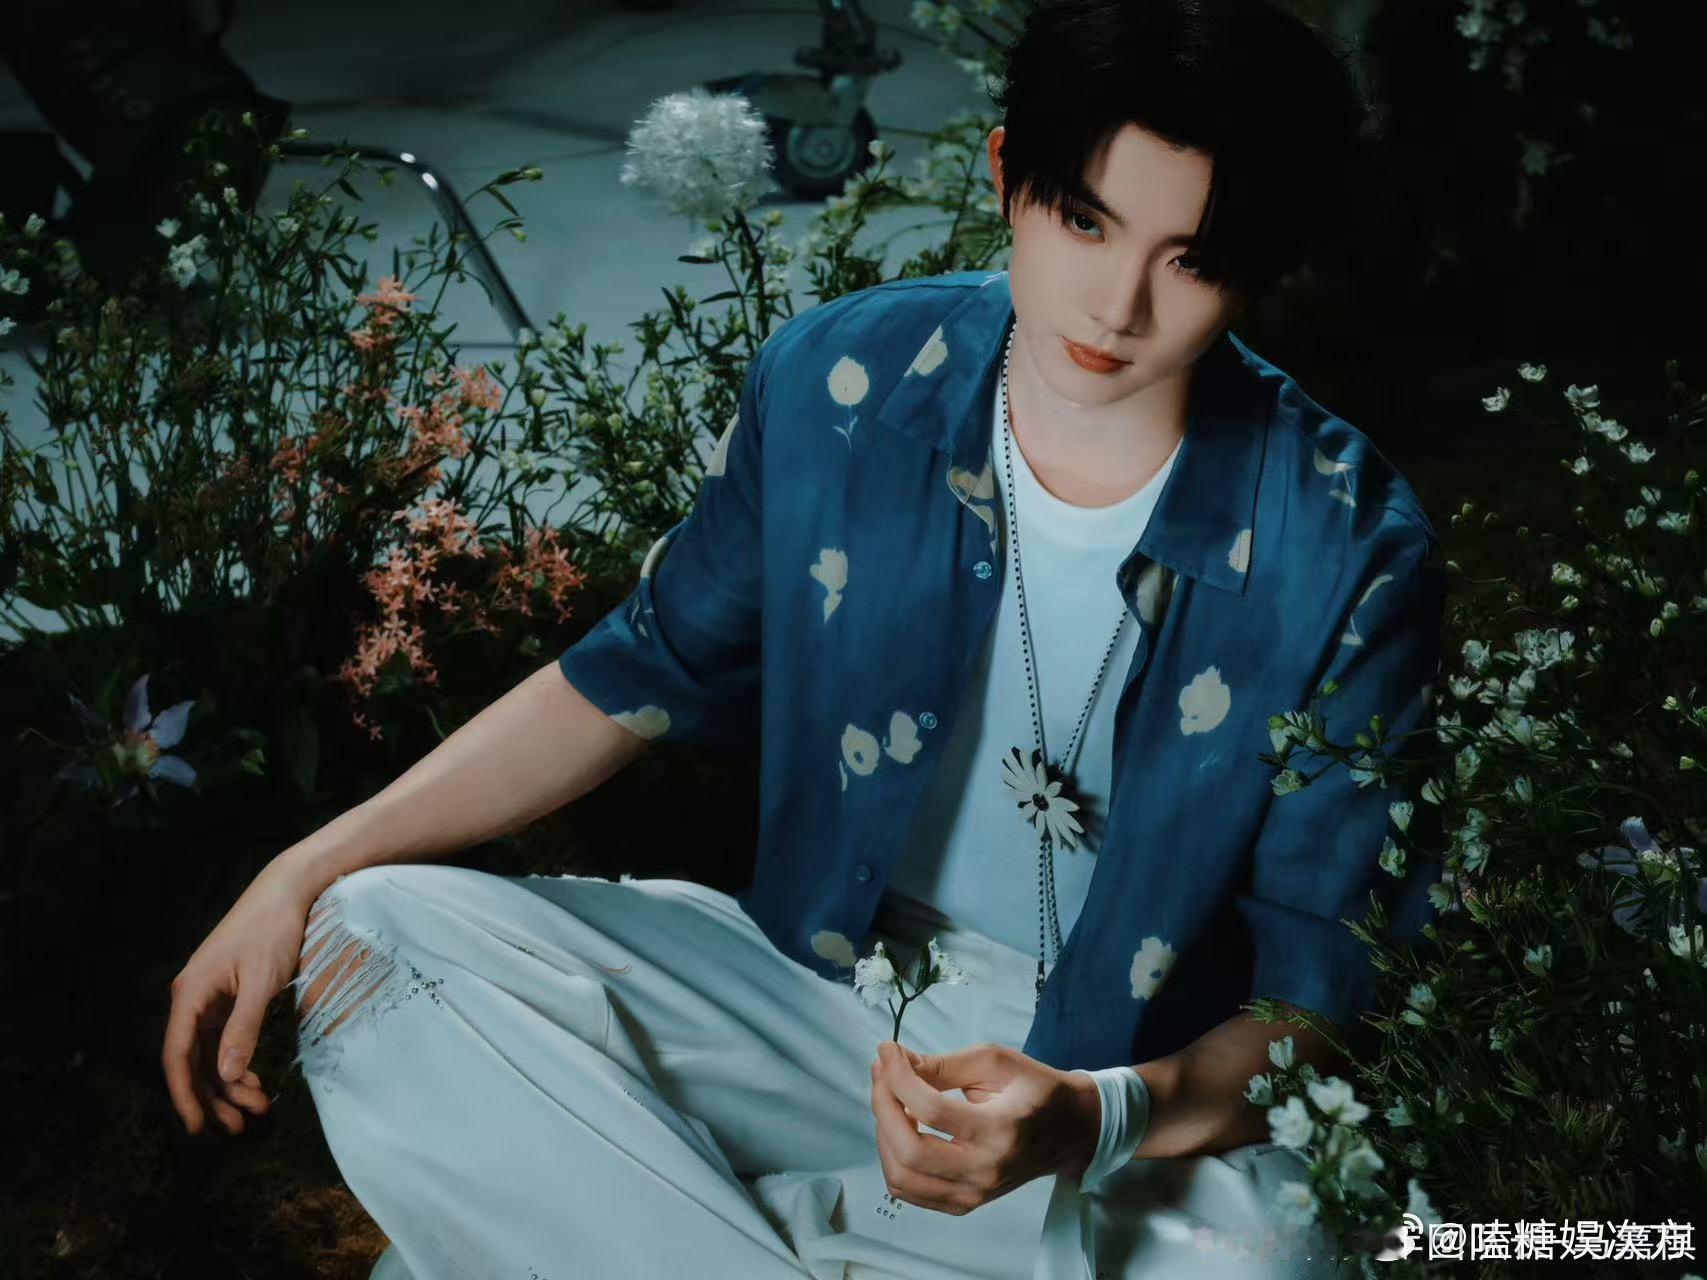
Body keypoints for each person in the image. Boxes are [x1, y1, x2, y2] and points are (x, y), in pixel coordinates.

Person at [161, 1, 1445, 1276]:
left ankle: (672, 1225)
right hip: (818, 996)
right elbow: (635, 671)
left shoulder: (1348, 544)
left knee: (1266, 1259)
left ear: (1258, 270)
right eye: (1083, 219)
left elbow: (1316, 997)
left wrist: (1092, 1117)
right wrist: (297, 869)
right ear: (1008, 177)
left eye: (1191, 260)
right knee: (368, 934)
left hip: (1117, 1084)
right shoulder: (846, 380)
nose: (1117, 305)